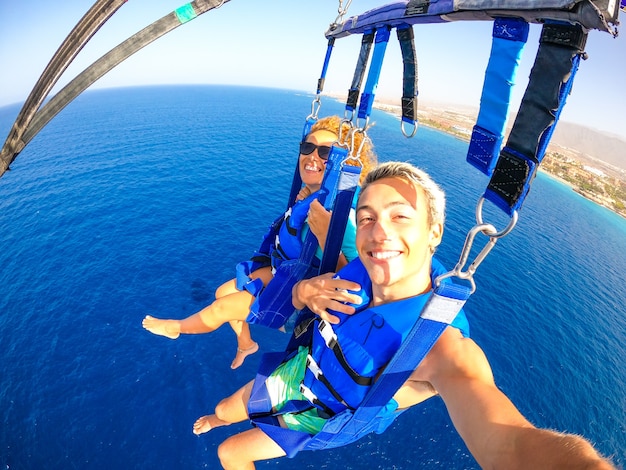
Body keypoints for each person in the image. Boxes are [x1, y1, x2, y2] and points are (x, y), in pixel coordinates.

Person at [191, 161, 614, 469]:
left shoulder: (441, 346)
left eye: (400, 216)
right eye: (367, 218)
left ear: (434, 233)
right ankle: (216, 418)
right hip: (298, 373)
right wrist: (304, 290)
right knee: (226, 410)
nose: (380, 232)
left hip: (325, 416)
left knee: (231, 453)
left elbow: (513, 446)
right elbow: (311, 289)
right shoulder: (353, 273)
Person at [142, 116, 377, 368]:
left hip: (305, 296)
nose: (312, 156)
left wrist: (324, 234)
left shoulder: (346, 218)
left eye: (326, 152)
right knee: (222, 292)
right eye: (307, 148)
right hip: (290, 270)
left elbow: (356, 282)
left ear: (344, 164)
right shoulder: (315, 196)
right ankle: (246, 344)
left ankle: (176, 328)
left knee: (220, 309)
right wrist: (307, 197)